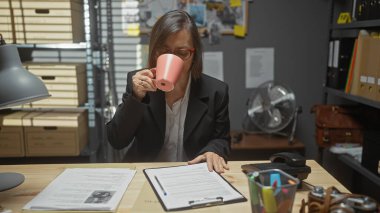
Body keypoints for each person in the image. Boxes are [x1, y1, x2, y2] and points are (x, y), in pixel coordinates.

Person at [106, 10, 230, 173]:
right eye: (164, 51)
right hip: (146, 172)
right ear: (155, 51)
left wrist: (213, 151)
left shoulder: (216, 92)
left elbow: (221, 139)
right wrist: (136, 98)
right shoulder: (139, 83)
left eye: (182, 52)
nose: (173, 58)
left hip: (192, 173)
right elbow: (117, 140)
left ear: (194, 54)